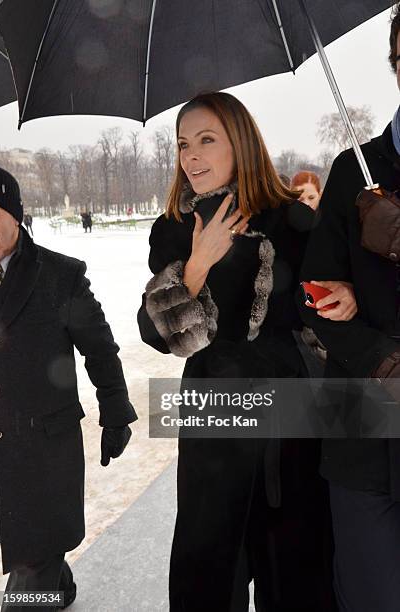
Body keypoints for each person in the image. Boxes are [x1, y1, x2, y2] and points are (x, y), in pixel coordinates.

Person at [138, 92, 357, 612]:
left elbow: (324, 304)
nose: (190, 156)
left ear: (240, 142)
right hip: (215, 416)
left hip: (294, 416)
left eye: (206, 140)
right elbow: (155, 334)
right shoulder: (173, 228)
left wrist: (346, 294)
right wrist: (196, 265)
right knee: (210, 570)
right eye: (183, 144)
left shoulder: (293, 218)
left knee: (300, 567)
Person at [0, 165, 137, 611]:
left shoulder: (60, 276)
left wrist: (115, 413)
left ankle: (43, 583)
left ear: (15, 214)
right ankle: (57, 580)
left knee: (27, 586)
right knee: (21, 542)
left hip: (42, 450)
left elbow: (100, 350)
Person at [297, 5, 400, 611]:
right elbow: (314, 299)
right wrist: (379, 356)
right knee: (370, 596)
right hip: (362, 430)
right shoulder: (352, 172)